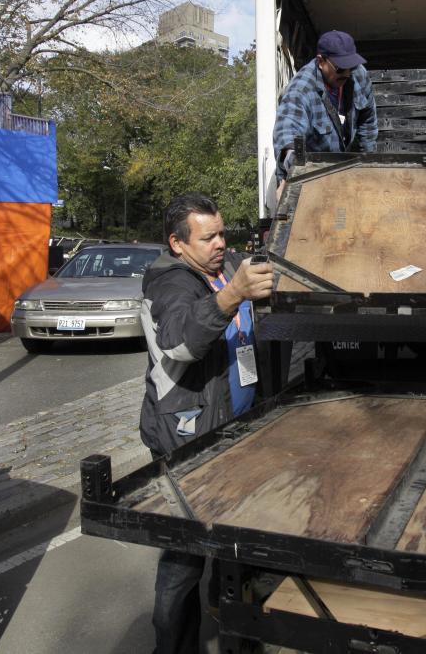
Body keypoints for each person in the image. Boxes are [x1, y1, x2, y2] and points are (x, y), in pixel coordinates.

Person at [139, 193, 274, 654]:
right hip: (188, 438)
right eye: (209, 236)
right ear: (177, 244)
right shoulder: (169, 281)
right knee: (184, 557)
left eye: (222, 233)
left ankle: (234, 627)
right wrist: (233, 294)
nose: (221, 243)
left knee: (235, 546)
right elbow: (180, 342)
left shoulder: (223, 265)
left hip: (237, 432)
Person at [272, 30, 378, 186]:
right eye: (341, 68)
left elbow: (368, 120)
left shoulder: (358, 75)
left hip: (344, 167)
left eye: (352, 66)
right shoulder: (301, 90)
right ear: (321, 61)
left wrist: (367, 167)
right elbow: (287, 129)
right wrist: (294, 164)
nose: (347, 74)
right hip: (310, 174)